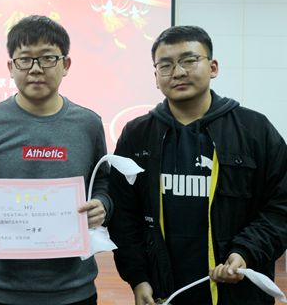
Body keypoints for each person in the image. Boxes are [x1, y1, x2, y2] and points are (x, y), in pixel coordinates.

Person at [108, 25, 287, 305]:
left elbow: (281, 206)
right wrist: (138, 277)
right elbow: (124, 215)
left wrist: (246, 252)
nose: (178, 72)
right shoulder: (137, 135)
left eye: (189, 60)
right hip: (162, 292)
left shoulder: (254, 130)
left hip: (238, 293)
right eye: (165, 65)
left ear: (213, 67)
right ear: (156, 77)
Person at [0, 15, 112, 305]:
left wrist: (103, 204)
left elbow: (101, 180)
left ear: (66, 64)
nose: (36, 69)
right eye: (25, 59)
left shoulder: (89, 124)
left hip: (74, 288)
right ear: (10, 67)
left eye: (48, 58)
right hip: (1, 289)